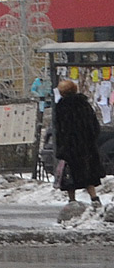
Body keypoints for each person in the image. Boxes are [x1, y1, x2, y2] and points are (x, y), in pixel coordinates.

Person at [53, 78, 104, 207]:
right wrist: (90, 139)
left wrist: (62, 146)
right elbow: (94, 126)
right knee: (88, 173)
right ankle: (94, 198)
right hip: (86, 146)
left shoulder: (61, 107)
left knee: (70, 175)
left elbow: (60, 128)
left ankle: (72, 201)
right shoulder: (84, 104)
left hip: (69, 146)